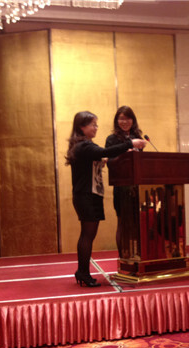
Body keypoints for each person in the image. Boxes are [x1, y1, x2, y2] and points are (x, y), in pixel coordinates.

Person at [66, 111, 146, 287]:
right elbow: (106, 151)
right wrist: (130, 143)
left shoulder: (85, 145)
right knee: (87, 235)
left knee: (88, 235)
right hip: (85, 195)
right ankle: (83, 272)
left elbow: (99, 156)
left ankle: (83, 271)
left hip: (89, 195)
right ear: (82, 127)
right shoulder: (83, 145)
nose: (96, 128)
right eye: (93, 125)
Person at [105, 106, 145, 257]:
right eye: (121, 118)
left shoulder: (137, 137)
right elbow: (109, 162)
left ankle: (138, 255)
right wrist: (125, 155)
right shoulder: (112, 139)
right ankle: (124, 257)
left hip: (137, 186)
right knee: (122, 222)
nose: (124, 122)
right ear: (117, 121)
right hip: (121, 186)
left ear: (133, 120)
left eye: (128, 118)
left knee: (137, 223)